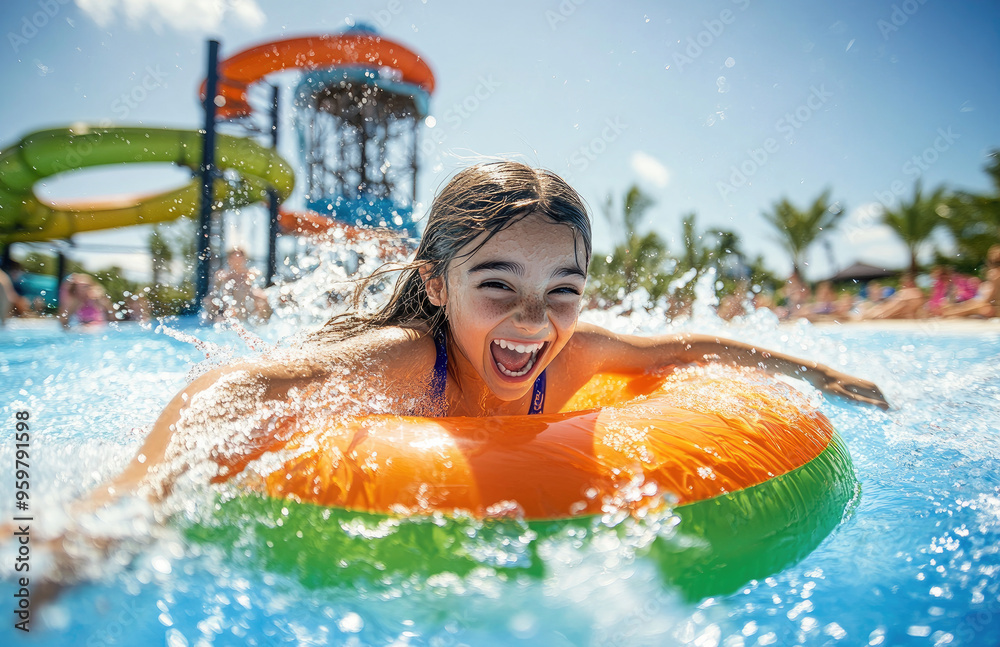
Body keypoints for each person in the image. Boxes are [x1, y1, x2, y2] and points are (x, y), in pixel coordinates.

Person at [17, 162, 891, 582]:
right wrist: (124, 511)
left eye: (563, 290)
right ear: (437, 284)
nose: (531, 321)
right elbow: (240, 392)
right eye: (498, 285)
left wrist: (817, 369)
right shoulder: (408, 362)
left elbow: (681, 354)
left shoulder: (572, 354)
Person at [203, 248, 272, 323]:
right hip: (227, 313)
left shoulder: (250, 275)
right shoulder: (223, 277)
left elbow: (259, 293)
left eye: (239, 258)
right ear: (229, 260)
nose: (236, 261)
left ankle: (262, 321)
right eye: (233, 258)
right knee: (209, 302)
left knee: (261, 298)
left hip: (247, 312)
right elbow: (213, 295)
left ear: (244, 260)